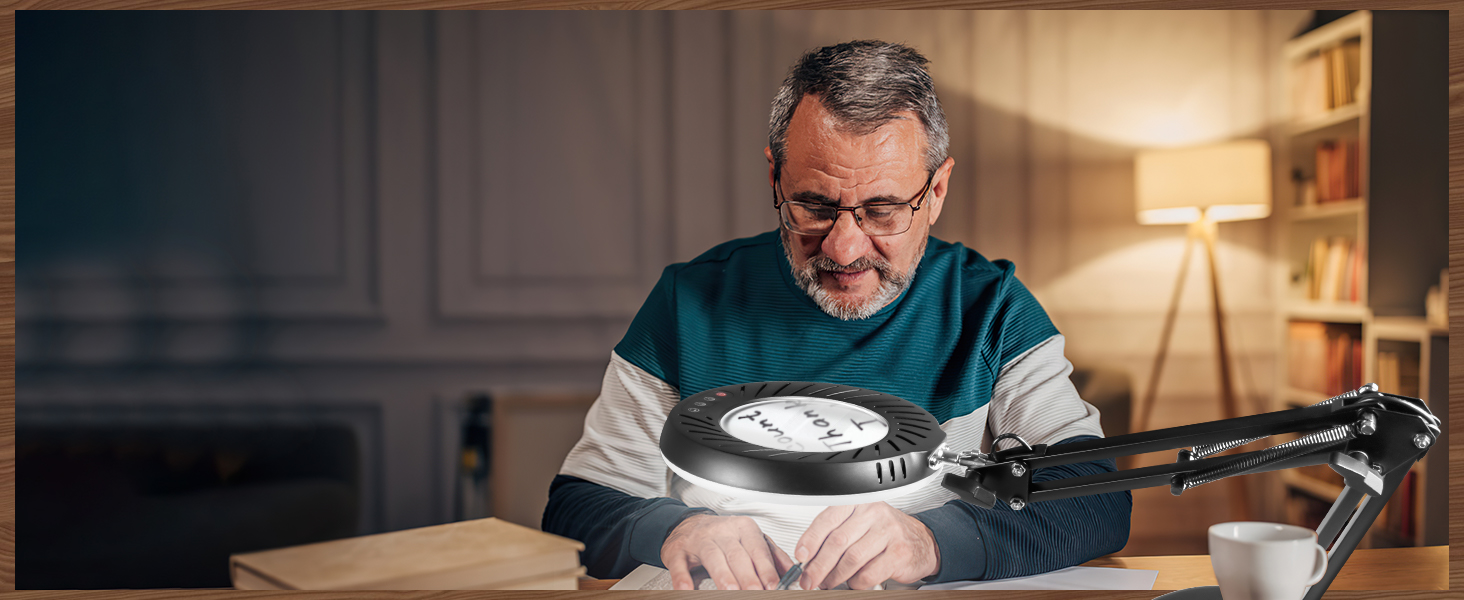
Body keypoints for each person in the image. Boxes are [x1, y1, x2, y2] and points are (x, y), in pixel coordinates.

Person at [542, 40, 1132, 591]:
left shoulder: (993, 309)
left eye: (882, 210)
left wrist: (930, 542)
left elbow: (1097, 502)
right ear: (775, 178)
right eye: (815, 206)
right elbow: (577, 508)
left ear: (938, 191)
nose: (844, 249)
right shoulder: (687, 303)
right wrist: (677, 529)